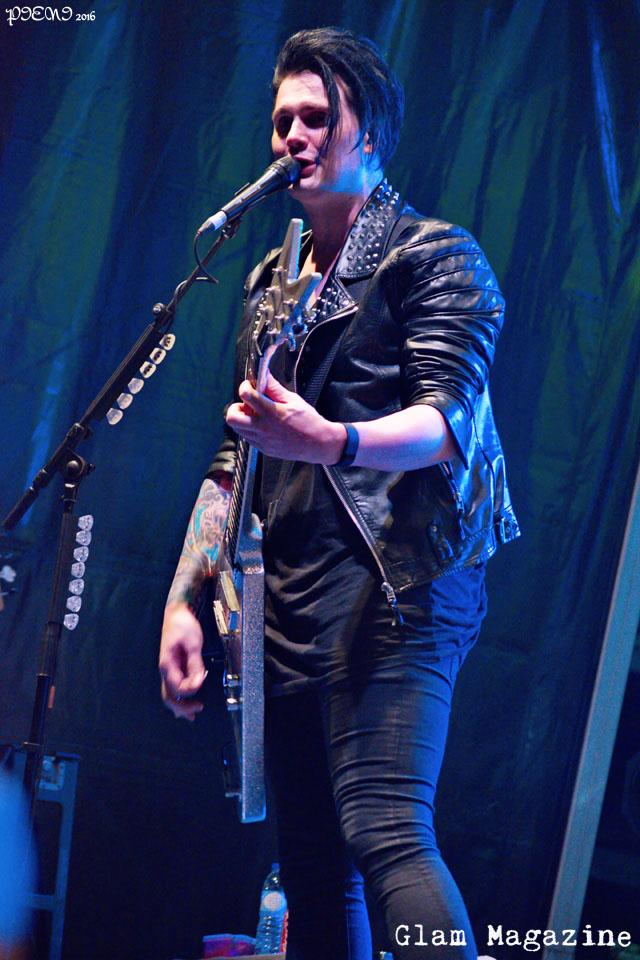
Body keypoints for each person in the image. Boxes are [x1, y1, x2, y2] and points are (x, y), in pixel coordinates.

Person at [159, 27, 519, 960]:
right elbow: (236, 455)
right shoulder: (271, 282)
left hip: (401, 587)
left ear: (373, 131)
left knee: (385, 828)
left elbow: (447, 420)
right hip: (290, 599)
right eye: (283, 118)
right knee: (314, 864)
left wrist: (331, 440)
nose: (295, 135)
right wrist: (187, 594)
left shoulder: (432, 255)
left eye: (318, 116)